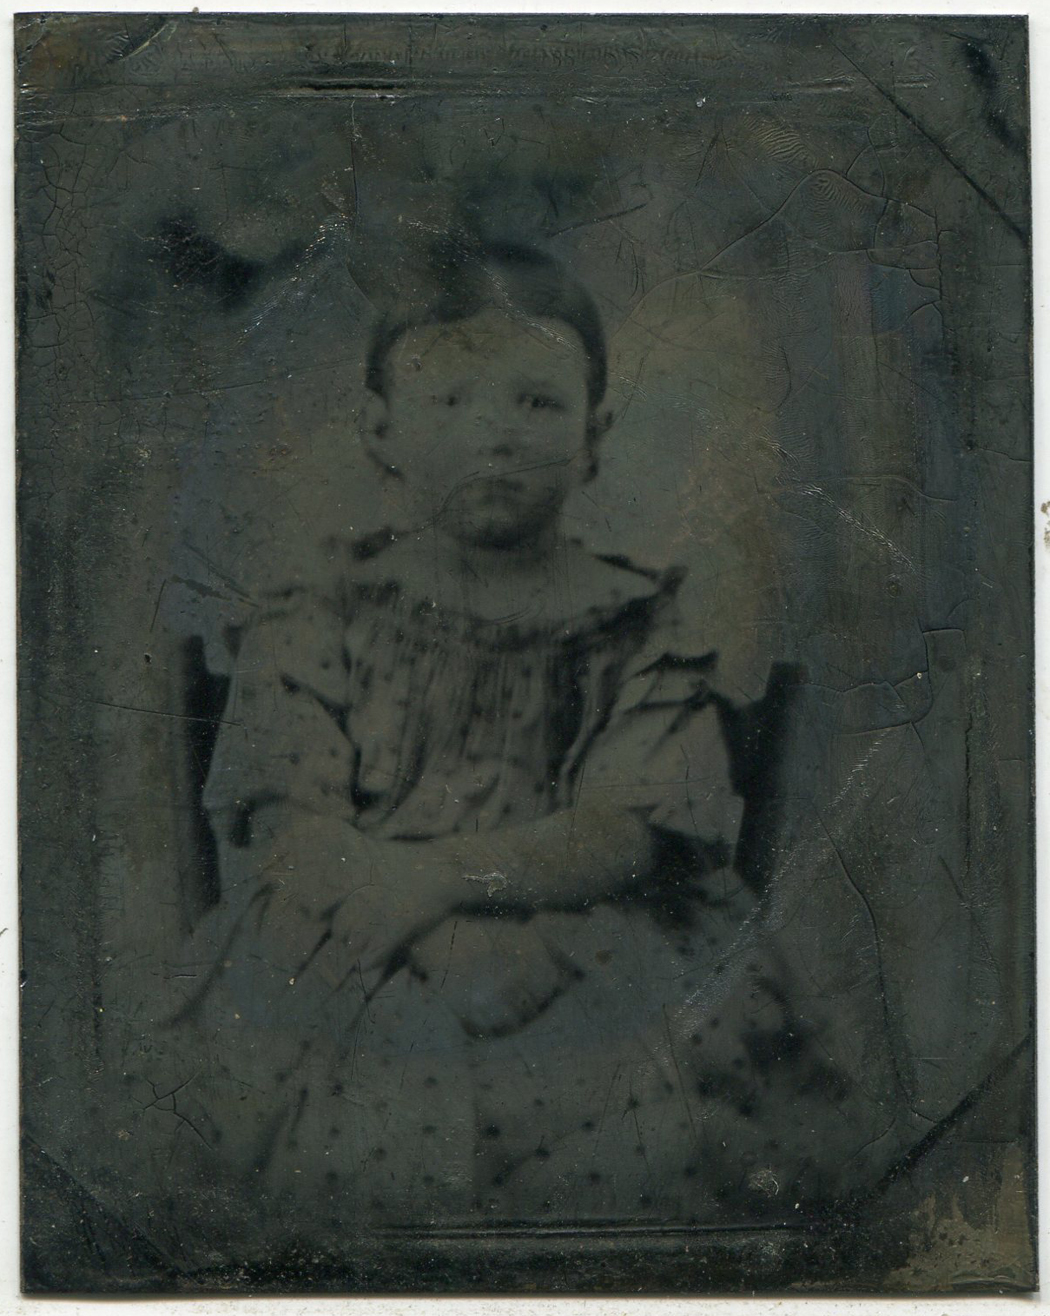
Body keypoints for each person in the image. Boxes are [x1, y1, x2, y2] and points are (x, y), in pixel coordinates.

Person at [155, 239, 911, 1247]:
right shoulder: (319, 608)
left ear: (594, 434)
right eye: (450, 400)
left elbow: (627, 832)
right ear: (381, 430)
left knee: (647, 1112)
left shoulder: (640, 623)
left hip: (591, 932)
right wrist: (428, 927)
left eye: (537, 403)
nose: (496, 435)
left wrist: (437, 882)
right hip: (358, 928)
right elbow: (291, 821)